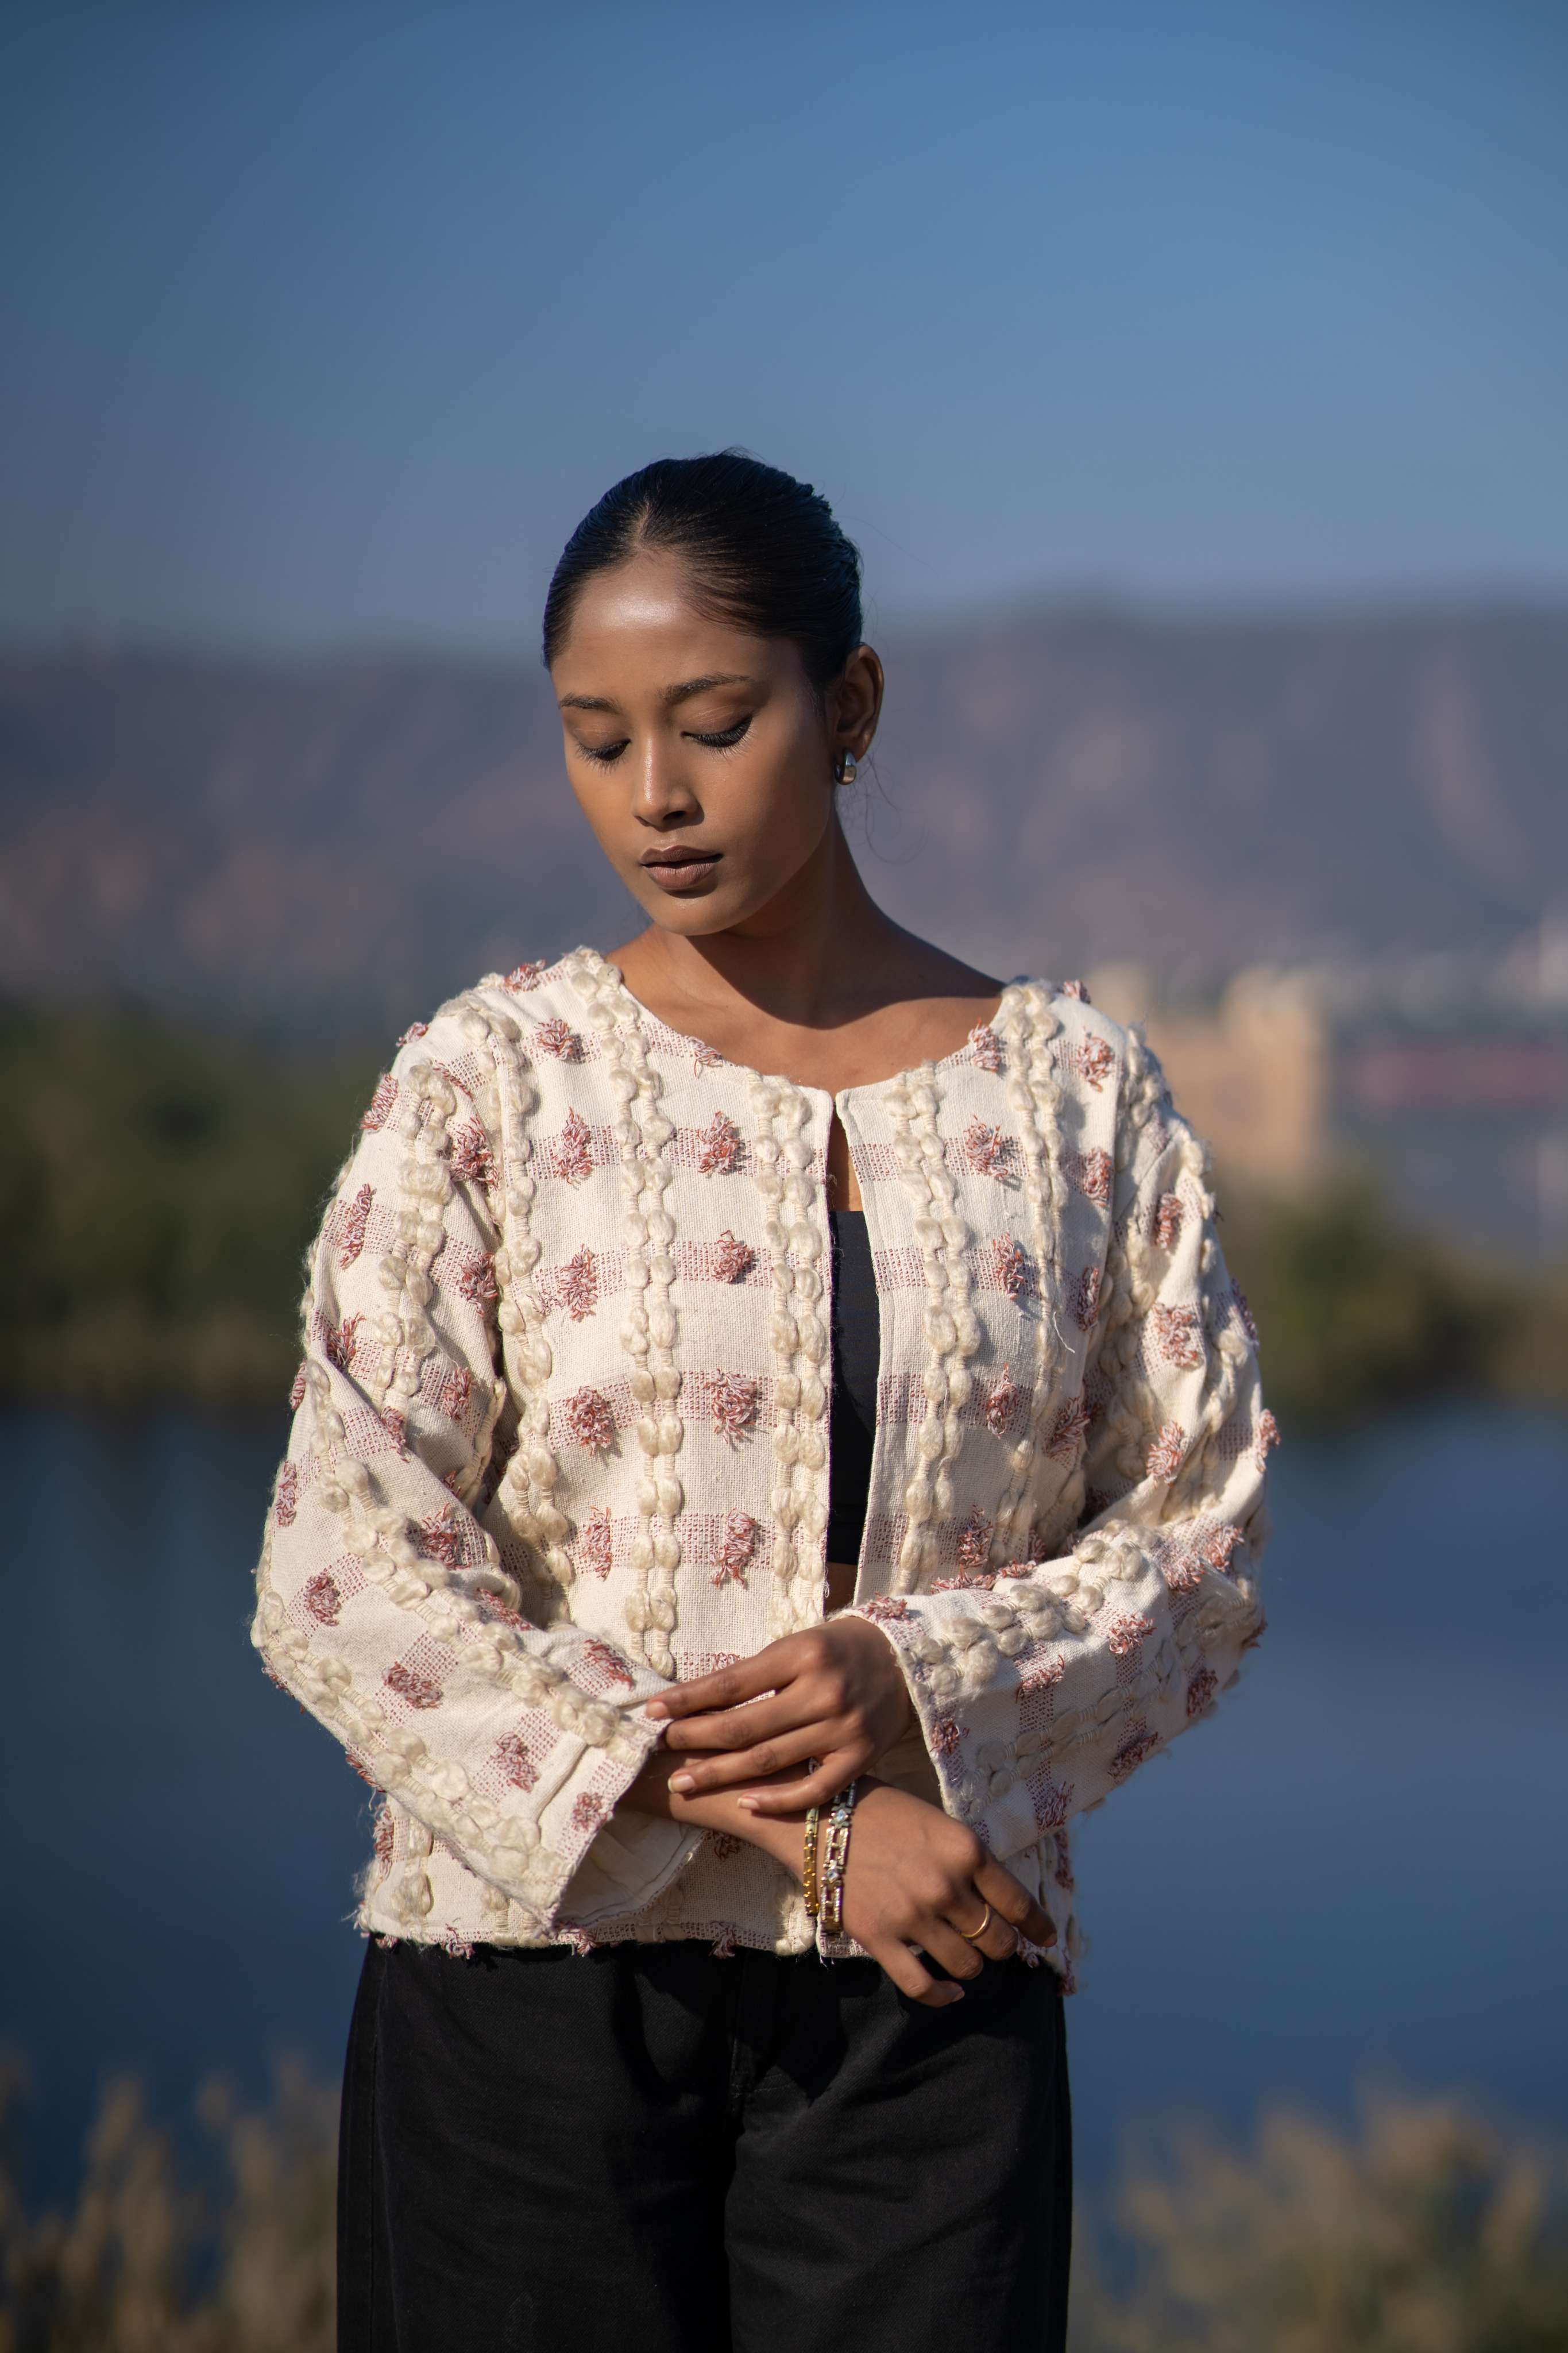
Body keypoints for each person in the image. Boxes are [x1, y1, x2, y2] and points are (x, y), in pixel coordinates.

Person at [253, 450, 1273, 2353]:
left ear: (852, 704)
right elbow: (340, 1571)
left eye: (714, 725)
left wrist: (920, 1681)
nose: (655, 794)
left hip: (930, 2001)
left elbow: (1199, 1541)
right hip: (526, 1994)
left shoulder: (1073, 1100)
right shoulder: (494, 1082)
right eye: (595, 738)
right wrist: (804, 1832)